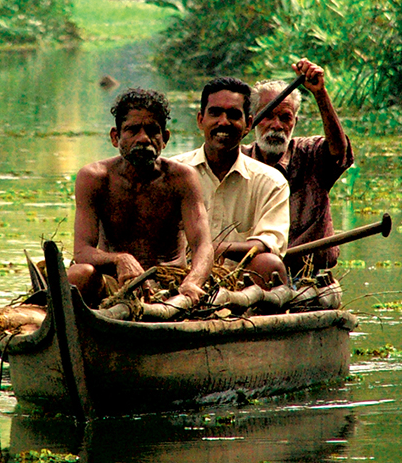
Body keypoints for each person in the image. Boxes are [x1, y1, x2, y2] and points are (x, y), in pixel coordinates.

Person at [69, 88, 214, 306]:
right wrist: (120, 259)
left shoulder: (182, 178)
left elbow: (203, 245)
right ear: (115, 137)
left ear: (164, 139)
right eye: (132, 130)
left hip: (169, 282)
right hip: (116, 280)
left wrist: (192, 282)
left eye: (152, 131)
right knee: (79, 274)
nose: (143, 138)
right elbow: (82, 251)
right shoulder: (94, 178)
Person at [171, 77, 290, 288]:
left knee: (268, 263)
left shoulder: (272, 182)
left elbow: (268, 243)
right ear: (200, 120)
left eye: (234, 115)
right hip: (177, 278)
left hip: (240, 285)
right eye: (215, 113)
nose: (223, 122)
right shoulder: (171, 173)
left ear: (248, 125)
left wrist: (213, 249)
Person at [243, 58, 354, 276]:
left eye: (285, 118)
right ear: (252, 120)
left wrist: (320, 94)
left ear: (295, 121)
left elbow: (339, 152)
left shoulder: (310, 154)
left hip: (309, 277)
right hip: (254, 275)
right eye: (267, 116)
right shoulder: (240, 161)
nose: (277, 126)